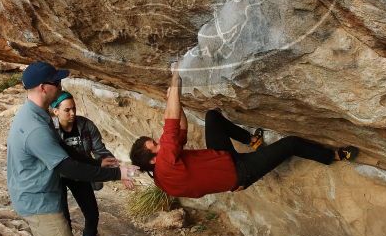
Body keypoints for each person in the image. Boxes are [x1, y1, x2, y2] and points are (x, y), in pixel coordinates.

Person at [6, 62, 136, 236]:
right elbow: (68, 168)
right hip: (39, 201)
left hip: (30, 196)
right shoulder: (36, 128)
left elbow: (65, 152)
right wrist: (116, 174)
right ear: (44, 88)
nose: (61, 86)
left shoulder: (35, 115)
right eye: (57, 83)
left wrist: (97, 162)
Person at [129, 64, 359, 198]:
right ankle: (334, 156)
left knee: (212, 117)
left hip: (221, 158)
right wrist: (176, 78)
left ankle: (251, 139)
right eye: (155, 145)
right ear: (153, 160)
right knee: (290, 144)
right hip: (241, 172)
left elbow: (180, 128)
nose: (160, 142)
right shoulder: (165, 165)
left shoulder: (161, 177)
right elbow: (170, 122)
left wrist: (174, 100)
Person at [50, 91, 114, 236]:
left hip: (80, 173)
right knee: (63, 217)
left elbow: (100, 150)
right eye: (67, 110)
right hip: (57, 176)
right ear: (55, 111)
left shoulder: (86, 126)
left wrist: (117, 169)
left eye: (74, 108)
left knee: (92, 212)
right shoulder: (49, 129)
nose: (72, 113)